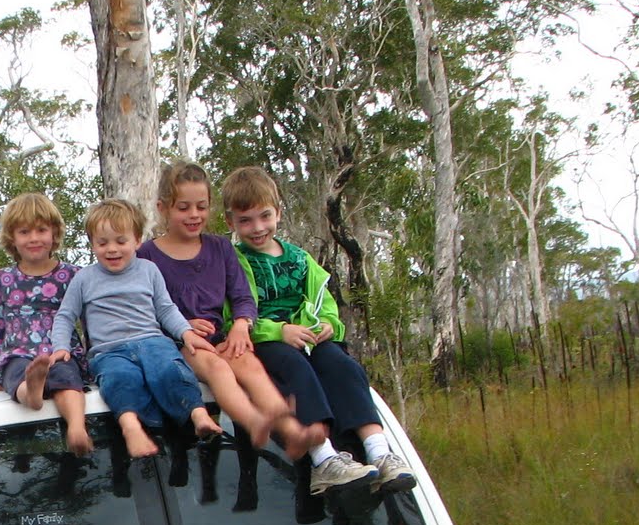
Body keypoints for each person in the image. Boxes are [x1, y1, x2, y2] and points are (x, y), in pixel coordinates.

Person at [219, 166, 416, 497]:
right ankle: (323, 458)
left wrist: (327, 324)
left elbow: (325, 303)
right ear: (230, 222)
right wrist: (279, 331)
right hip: (265, 340)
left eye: (265, 216)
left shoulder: (301, 259)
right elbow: (231, 317)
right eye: (246, 221)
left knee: (343, 365)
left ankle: (379, 452)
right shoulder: (231, 262)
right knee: (295, 368)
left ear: (278, 212)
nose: (258, 228)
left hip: (308, 339)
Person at [139, 161, 321, 459]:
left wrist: (240, 324)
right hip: (180, 345)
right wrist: (183, 326)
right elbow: (142, 310)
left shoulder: (220, 248)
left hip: (221, 337)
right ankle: (254, 422)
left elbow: (242, 296)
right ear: (162, 208)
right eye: (183, 208)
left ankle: (292, 431)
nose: (194, 214)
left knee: (250, 365)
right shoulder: (146, 256)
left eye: (202, 206)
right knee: (218, 369)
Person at [47, 198, 223, 459]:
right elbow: (64, 316)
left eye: (121, 241)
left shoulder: (149, 270)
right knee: (120, 380)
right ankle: (131, 427)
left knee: (170, 371)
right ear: (92, 244)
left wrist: (186, 334)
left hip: (153, 342)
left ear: (137, 240)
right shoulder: (84, 278)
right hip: (110, 351)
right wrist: (61, 348)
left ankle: (198, 415)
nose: (112, 249)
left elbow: (166, 309)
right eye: (102, 243)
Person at [0, 192, 93, 455]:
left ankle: (77, 427)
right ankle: (32, 394)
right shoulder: (2, 279)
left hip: (60, 351)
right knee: (17, 374)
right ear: (12, 238)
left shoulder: (73, 275)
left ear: (54, 233)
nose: (33, 238)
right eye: (24, 232)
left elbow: (89, 321)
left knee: (67, 378)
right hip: (17, 353)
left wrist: (92, 362)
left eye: (41, 230)